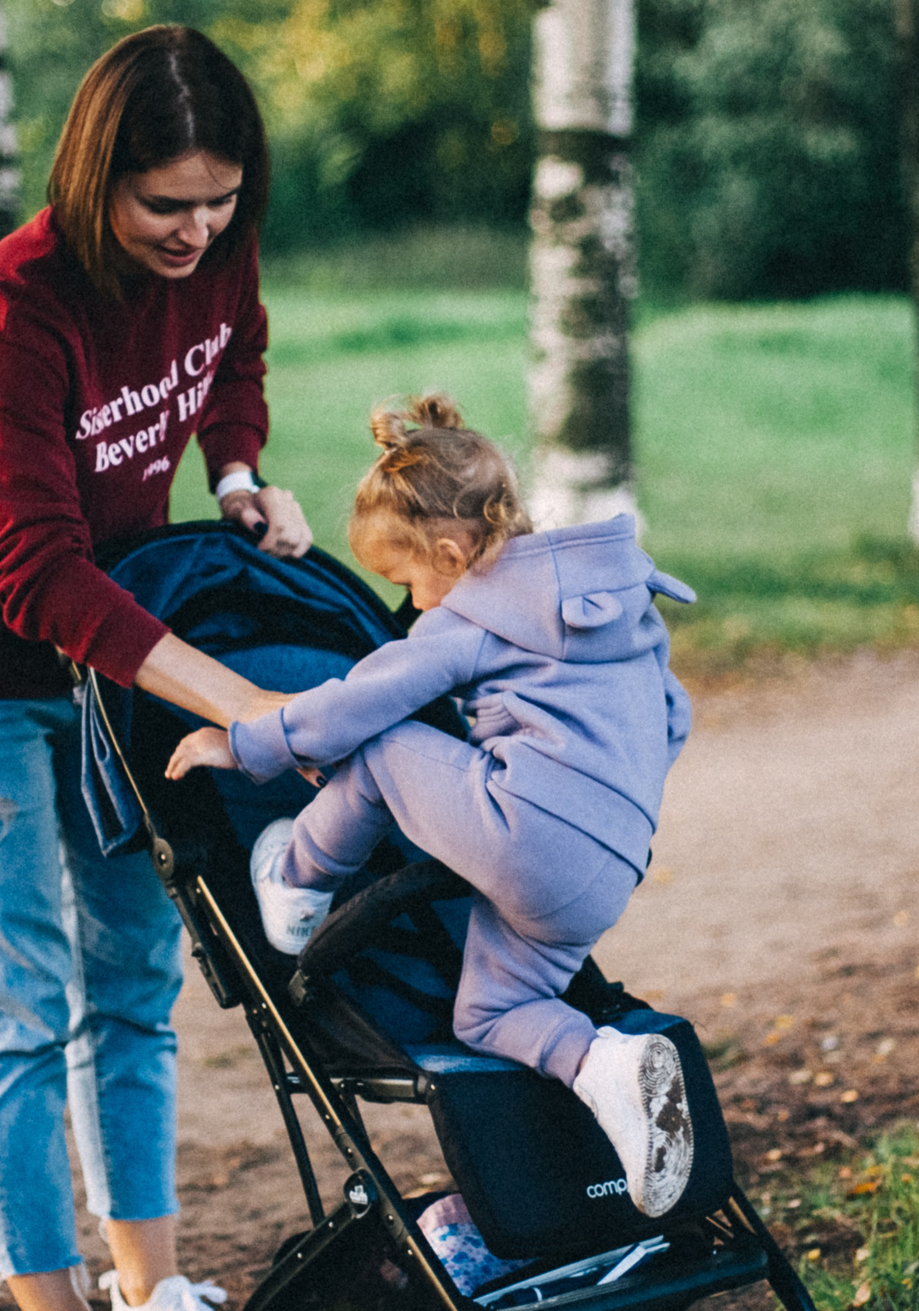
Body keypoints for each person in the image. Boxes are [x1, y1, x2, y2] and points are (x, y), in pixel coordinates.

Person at [0, 25, 308, 1311]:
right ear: (95, 178)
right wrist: (233, 696)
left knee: (131, 977)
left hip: (115, 671)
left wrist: (238, 472)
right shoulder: (14, 313)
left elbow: (233, 356)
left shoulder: (214, 255)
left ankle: (151, 1285)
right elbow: (33, 573)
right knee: (12, 1003)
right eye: (164, 205)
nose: (197, 233)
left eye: (220, 200)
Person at [164, 395, 700, 1217]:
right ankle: (606, 1067)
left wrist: (242, 742)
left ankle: (296, 881)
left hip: (528, 841)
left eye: (409, 581)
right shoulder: (621, 601)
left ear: (450, 550)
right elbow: (671, 718)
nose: (411, 604)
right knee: (490, 1012)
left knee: (382, 744)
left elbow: (358, 701)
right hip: (611, 864)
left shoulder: (474, 612)